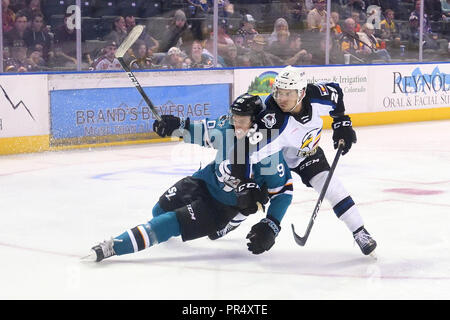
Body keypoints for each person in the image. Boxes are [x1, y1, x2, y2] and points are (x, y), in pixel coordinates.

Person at [84, 94, 294, 261]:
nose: (236, 124)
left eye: (242, 120)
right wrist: (176, 127)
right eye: (234, 118)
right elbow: (201, 132)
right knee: (158, 210)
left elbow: (284, 192)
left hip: (221, 206)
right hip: (203, 182)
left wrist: (271, 225)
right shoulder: (228, 128)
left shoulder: (269, 154)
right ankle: (225, 223)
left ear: (256, 121)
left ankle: (114, 247)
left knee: (169, 222)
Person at [228, 66, 378, 257]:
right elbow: (241, 151)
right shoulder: (273, 121)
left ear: (301, 93)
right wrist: (245, 185)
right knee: (255, 198)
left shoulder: (317, 96)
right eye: (278, 92)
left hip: (308, 154)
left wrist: (341, 122)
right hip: (277, 158)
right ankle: (230, 222)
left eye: (287, 94)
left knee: (332, 187)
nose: (281, 98)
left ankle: (360, 232)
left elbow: (337, 94)